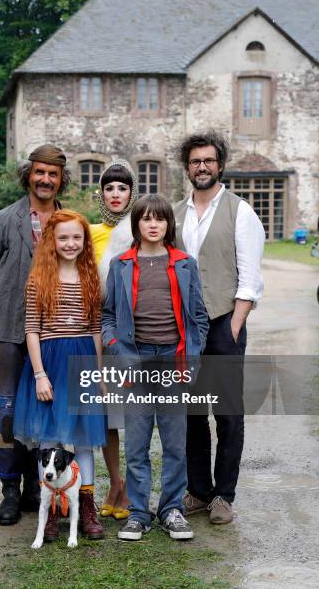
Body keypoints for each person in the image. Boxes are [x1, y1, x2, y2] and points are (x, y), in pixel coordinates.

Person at [102, 194, 209, 541]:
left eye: (159, 219)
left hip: (173, 360)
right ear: (136, 225)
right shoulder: (121, 264)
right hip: (136, 360)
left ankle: (171, 509)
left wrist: (191, 355)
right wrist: (116, 347)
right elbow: (107, 317)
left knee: (175, 442)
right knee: (136, 442)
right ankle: (138, 513)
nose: (152, 224)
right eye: (146, 219)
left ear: (168, 224)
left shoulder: (184, 263)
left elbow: (199, 317)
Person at [0, 144, 69, 526]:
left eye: (53, 174)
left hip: (56, 336)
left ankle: (36, 485)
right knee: (7, 412)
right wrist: (6, 308)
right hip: (8, 335)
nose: (45, 180)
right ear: (29, 174)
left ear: (61, 179)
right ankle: (10, 489)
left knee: (46, 412)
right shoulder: (3, 220)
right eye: (40, 172)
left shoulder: (69, 222)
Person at [174, 130, 265, 524]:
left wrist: (234, 324)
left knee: (227, 413)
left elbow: (250, 276)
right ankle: (198, 490)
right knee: (190, 413)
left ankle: (224, 495)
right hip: (183, 330)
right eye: (195, 161)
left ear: (220, 164)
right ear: (187, 167)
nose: (202, 167)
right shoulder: (174, 212)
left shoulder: (239, 211)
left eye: (209, 160)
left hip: (224, 322)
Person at [13, 210, 107, 540]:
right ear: (52, 240)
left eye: (76, 237)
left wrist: (98, 375)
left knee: (83, 441)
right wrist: (39, 374)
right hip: (49, 363)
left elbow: (95, 329)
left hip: (82, 361)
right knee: (50, 439)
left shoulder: (90, 275)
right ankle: (52, 508)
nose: (70, 243)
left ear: (85, 241)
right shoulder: (39, 278)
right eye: (63, 237)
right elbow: (32, 330)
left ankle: (86, 507)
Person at [90, 159, 138, 520]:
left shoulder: (142, 229)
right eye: (110, 187)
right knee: (107, 415)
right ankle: (115, 482)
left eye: (123, 187)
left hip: (134, 332)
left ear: (131, 192)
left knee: (136, 412)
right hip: (96, 330)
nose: (116, 194)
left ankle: (136, 490)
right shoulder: (88, 233)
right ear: (101, 193)